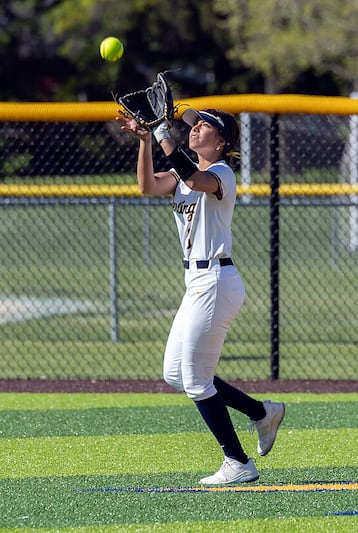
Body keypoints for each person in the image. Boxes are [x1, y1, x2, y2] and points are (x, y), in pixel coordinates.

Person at [116, 107, 286, 485]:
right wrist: (146, 141)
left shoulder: (222, 173)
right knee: (176, 373)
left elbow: (196, 178)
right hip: (197, 283)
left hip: (215, 279)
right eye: (194, 125)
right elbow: (147, 186)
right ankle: (261, 412)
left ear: (222, 141)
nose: (196, 129)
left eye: (205, 126)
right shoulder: (181, 173)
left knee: (195, 379)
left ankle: (238, 462)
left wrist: (164, 135)